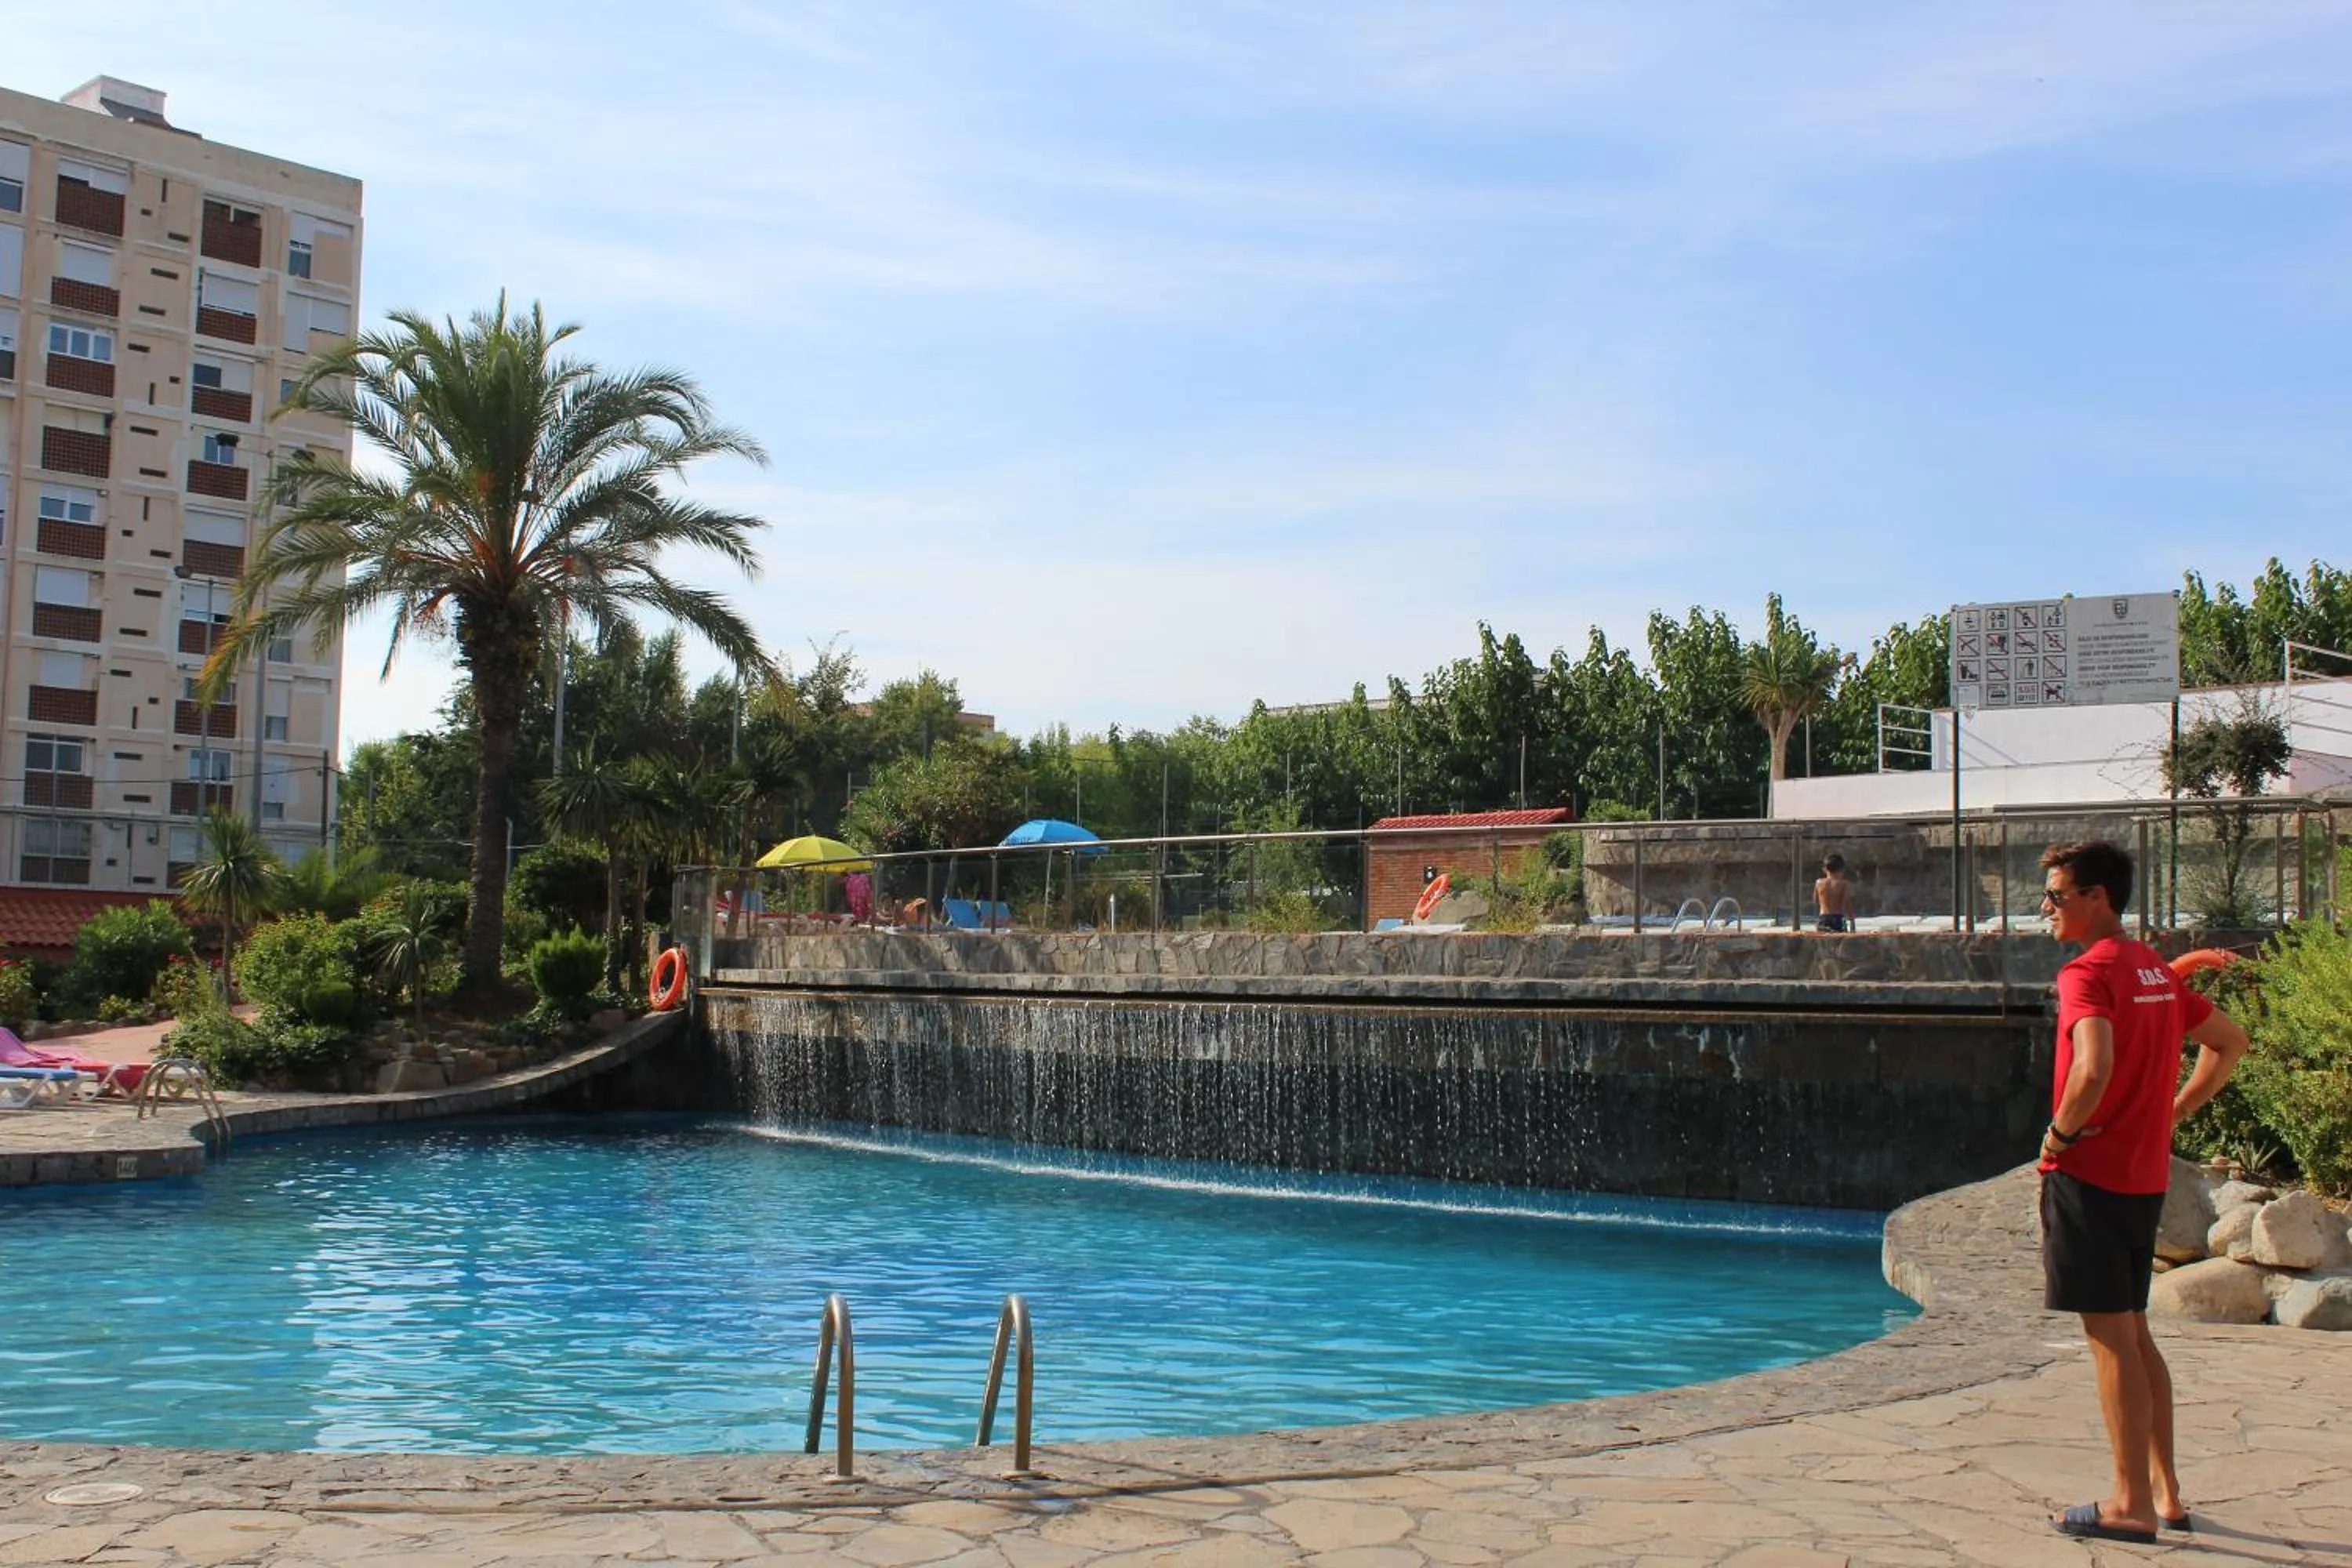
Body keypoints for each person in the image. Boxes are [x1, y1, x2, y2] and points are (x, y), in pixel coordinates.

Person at [2037, 840, 2249, 1546]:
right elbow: (2230, 1041)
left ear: (2098, 897)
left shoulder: (2088, 974)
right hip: (2143, 1177)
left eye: (2058, 895)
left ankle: (2128, 1504)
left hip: (2091, 1178)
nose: (2048, 907)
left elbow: (2091, 1069)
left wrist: (2059, 1137)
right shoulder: (2154, 968)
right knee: (2135, 1332)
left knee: (2110, 1342)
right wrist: (2174, 1112)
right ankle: (2167, 1492)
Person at [1813, 853, 1856, 933]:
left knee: (1824, 944)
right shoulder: (1844, 884)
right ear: (1843, 870)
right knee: (1839, 944)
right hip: (1838, 919)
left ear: (1825, 869)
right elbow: (1848, 904)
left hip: (1823, 918)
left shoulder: (1818, 883)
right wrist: (1852, 924)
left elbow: (1815, 900)